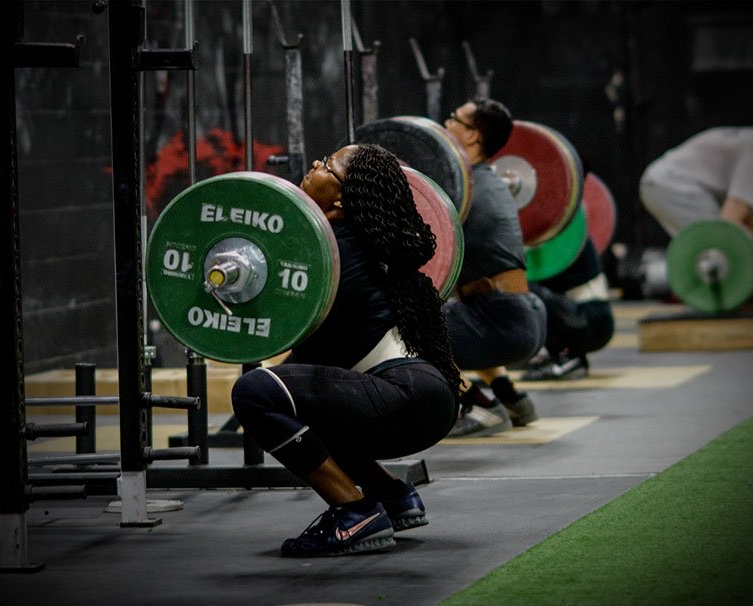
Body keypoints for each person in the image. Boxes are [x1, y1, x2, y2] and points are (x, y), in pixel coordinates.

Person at [230, 144, 463, 558]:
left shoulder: (330, 250)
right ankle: (392, 496)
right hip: (423, 396)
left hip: (401, 395)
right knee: (295, 394)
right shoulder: (362, 243)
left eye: (326, 165)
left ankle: (354, 511)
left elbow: (273, 323)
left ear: (341, 196)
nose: (314, 165)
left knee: (255, 393)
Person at [441, 98, 548, 437]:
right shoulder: (485, 182)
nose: (445, 124)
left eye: (454, 118)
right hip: (518, 317)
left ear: (472, 136)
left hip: (504, 321)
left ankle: (479, 405)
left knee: (402, 328)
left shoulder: (468, 193)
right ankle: (511, 396)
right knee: (460, 317)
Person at [639, 104, 753, 237]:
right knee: (719, 242)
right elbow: (732, 215)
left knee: (726, 242)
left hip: (680, 186)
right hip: (667, 184)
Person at [522, 238, 615, 381]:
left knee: (525, 291)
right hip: (591, 319)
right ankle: (569, 357)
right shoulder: (564, 237)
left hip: (592, 320)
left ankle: (564, 356)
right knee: (527, 291)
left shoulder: (566, 241)